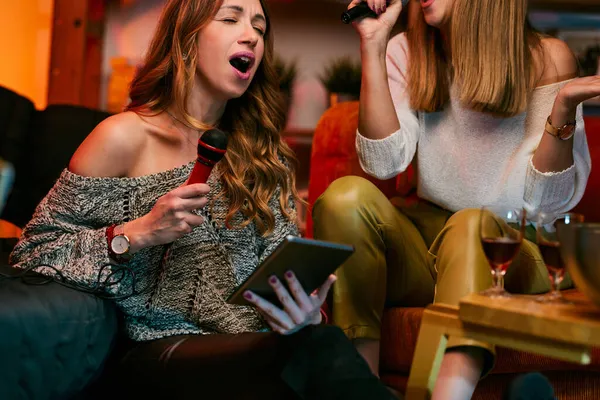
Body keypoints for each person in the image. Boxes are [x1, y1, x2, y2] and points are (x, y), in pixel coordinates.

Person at [313, 0, 597, 399]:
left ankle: (450, 392)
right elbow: (384, 163)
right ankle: (360, 389)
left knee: (471, 225)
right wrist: (374, 49)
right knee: (344, 198)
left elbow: (543, 203)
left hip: (514, 250)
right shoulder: (407, 51)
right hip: (430, 240)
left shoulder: (548, 57)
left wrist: (563, 108)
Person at [9, 0, 335, 346]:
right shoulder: (123, 137)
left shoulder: (263, 153)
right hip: (168, 350)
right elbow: (36, 251)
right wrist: (138, 232)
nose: (251, 36)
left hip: (260, 347)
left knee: (323, 345)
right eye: (230, 19)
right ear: (186, 36)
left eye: (259, 27)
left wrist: (306, 314)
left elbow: (280, 279)